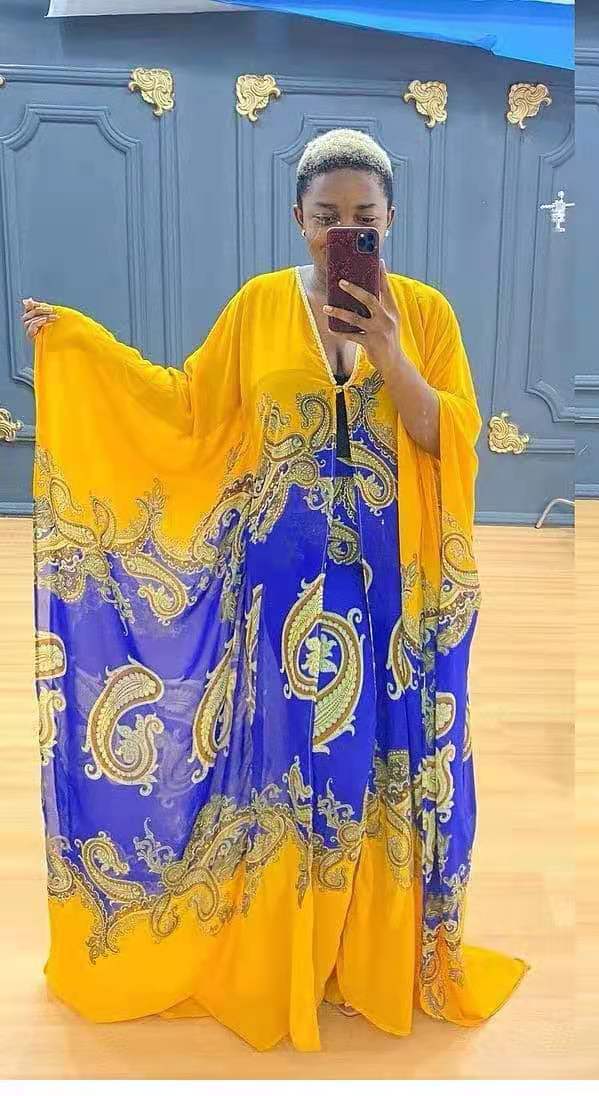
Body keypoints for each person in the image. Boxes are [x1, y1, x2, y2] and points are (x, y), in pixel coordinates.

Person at [23, 127, 526, 1051]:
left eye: (363, 216)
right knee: (291, 756)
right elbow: (187, 406)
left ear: (390, 218)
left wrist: (391, 354)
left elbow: (448, 439)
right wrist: (82, 349)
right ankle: (289, 947)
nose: (344, 231)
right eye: (327, 215)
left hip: (394, 585)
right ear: (298, 218)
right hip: (279, 585)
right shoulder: (258, 307)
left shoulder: (424, 313)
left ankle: (368, 950)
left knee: (384, 755)